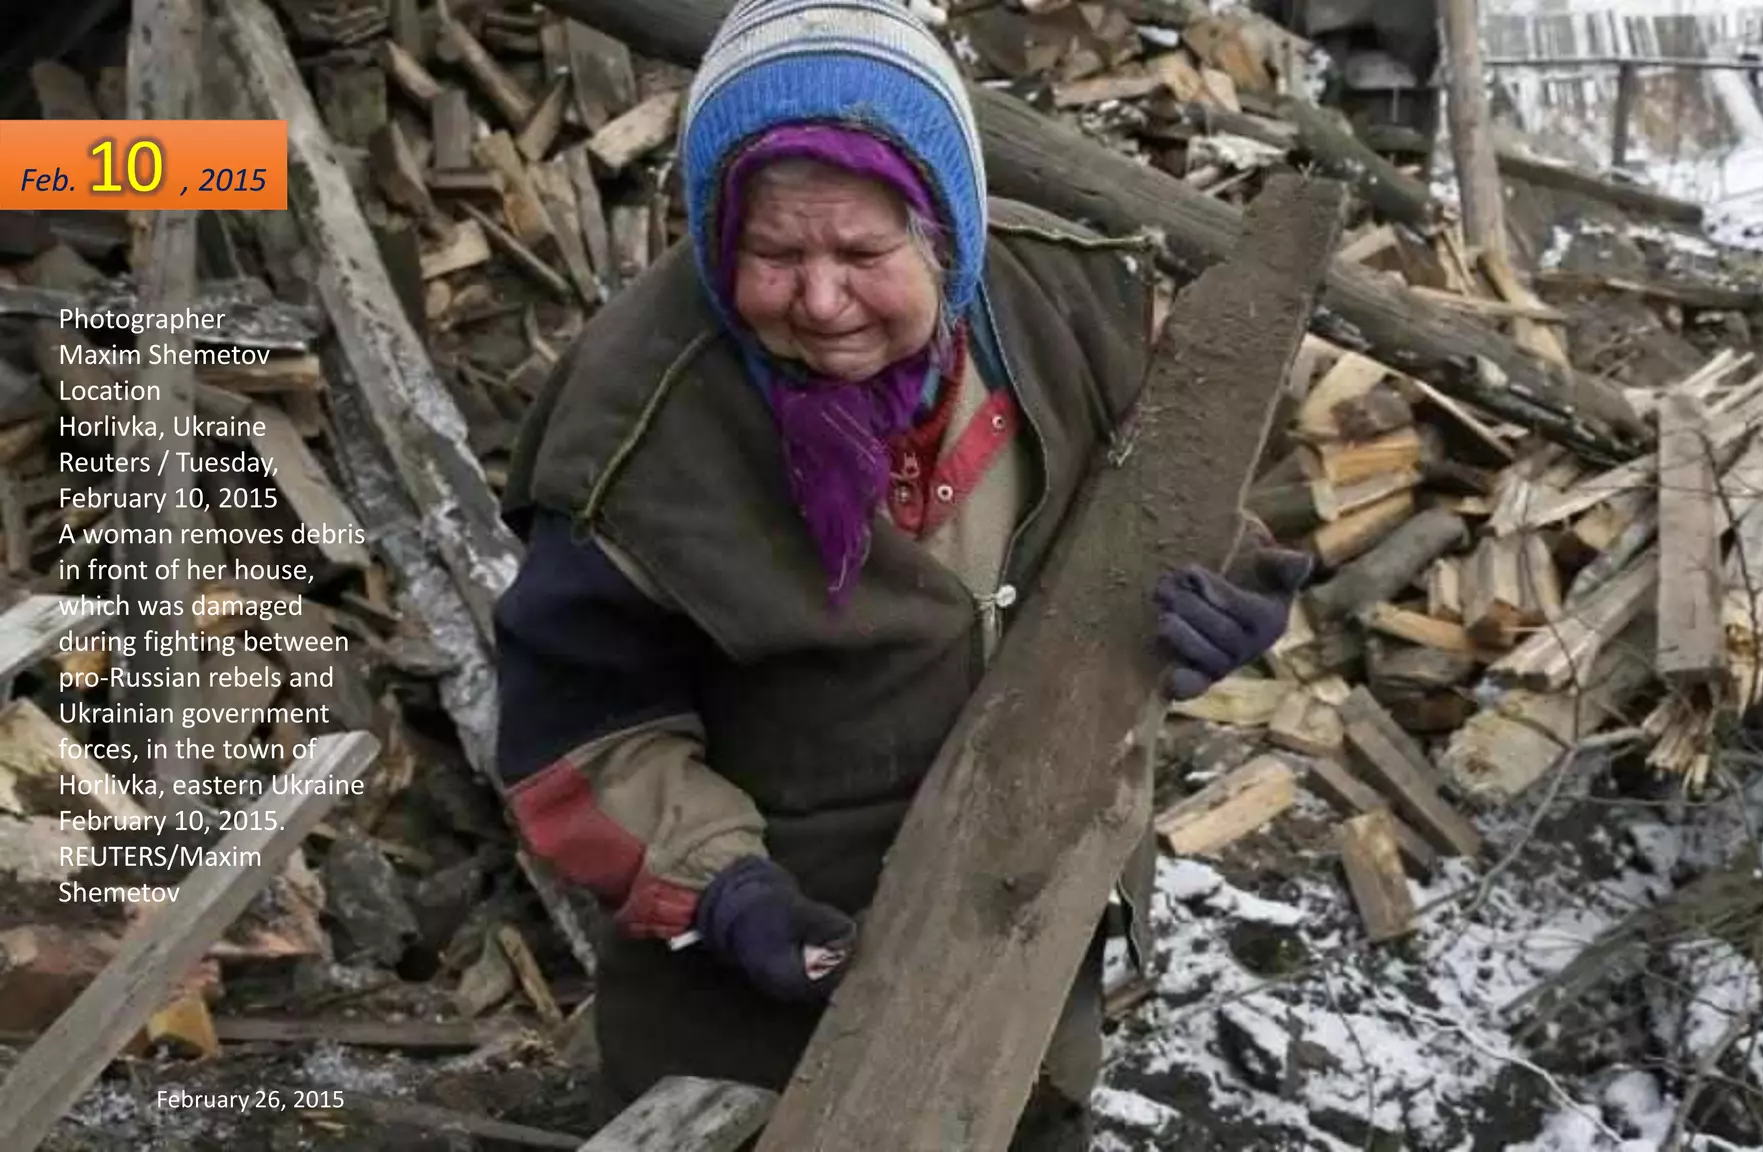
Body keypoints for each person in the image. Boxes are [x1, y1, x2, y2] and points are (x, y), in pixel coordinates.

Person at [491, 0, 1311, 1144]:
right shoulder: (638, 422)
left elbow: (1187, 498)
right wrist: (722, 889)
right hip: (770, 988)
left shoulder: (1063, 303)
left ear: (945, 232)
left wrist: (1232, 592)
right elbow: (581, 734)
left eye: (862, 253)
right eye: (772, 253)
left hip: (1028, 924)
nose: (819, 303)